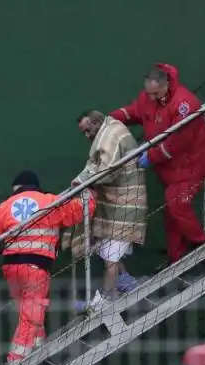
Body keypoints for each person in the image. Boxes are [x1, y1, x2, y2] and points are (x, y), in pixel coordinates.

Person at [109, 64, 205, 265]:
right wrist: (112, 118)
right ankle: (175, 258)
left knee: (176, 200)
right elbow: (134, 112)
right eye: (148, 94)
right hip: (170, 170)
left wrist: (151, 156)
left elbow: (178, 142)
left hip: (193, 165)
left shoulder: (184, 104)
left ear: (166, 84)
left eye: (155, 94)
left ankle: (200, 243)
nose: (150, 98)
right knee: (171, 213)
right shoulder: (149, 98)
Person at [0, 171, 95, 362]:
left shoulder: (5, 206)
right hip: (35, 267)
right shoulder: (49, 202)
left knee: (25, 310)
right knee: (31, 314)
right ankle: (16, 360)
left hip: (11, 268)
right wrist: (88, 192)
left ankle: (38, 343)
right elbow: (78, 211)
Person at [65, 109, 148, 311]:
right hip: (117, 204)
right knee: (108, 251)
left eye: (87, 130)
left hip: (125, 204)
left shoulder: (111, 134)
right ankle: (126, 283)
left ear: (96, 123)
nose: (87, 136)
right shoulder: (107, 133)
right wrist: (79, 181)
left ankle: (105, 301)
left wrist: (81, 182)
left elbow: (107, 170)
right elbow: (97, 167)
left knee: (111, 256)